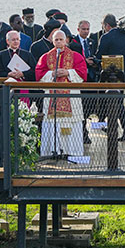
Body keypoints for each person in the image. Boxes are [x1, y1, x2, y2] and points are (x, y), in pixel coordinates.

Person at [35, 30, 90, 159]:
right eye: (56, 40)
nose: (59, 42)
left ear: (66, 40)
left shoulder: (76, 56)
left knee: (72, 124)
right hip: (52, 99)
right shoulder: (45, 57)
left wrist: (68, 73)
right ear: (52, 41)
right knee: (52, 124)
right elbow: (39, 73)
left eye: (61, 39)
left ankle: (72, 152)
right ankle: (52, 152)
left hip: (71, 97)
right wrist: (52, 74)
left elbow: (82, 73)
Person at [0, 30, 36, 152]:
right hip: (6, 92)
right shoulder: (0, 55)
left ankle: (24, 147)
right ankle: (2, 147)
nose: (16, 42)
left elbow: (34, 73)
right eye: (13, 39)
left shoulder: (27, 55)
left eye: (17, 39)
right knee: (5, 119)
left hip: (23, 92)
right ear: (7, 41)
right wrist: (7, 74)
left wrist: (22, 74)